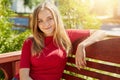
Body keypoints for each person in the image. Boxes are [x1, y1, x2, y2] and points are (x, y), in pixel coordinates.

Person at [13, 1, 107, 80]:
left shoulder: (66, 35)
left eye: (49, 19)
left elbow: (101, 32)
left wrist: (82, 45)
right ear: (36, 23)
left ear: (56, 18)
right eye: (40, 21)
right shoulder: (30, 42)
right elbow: (24, 76)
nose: (45, 24)